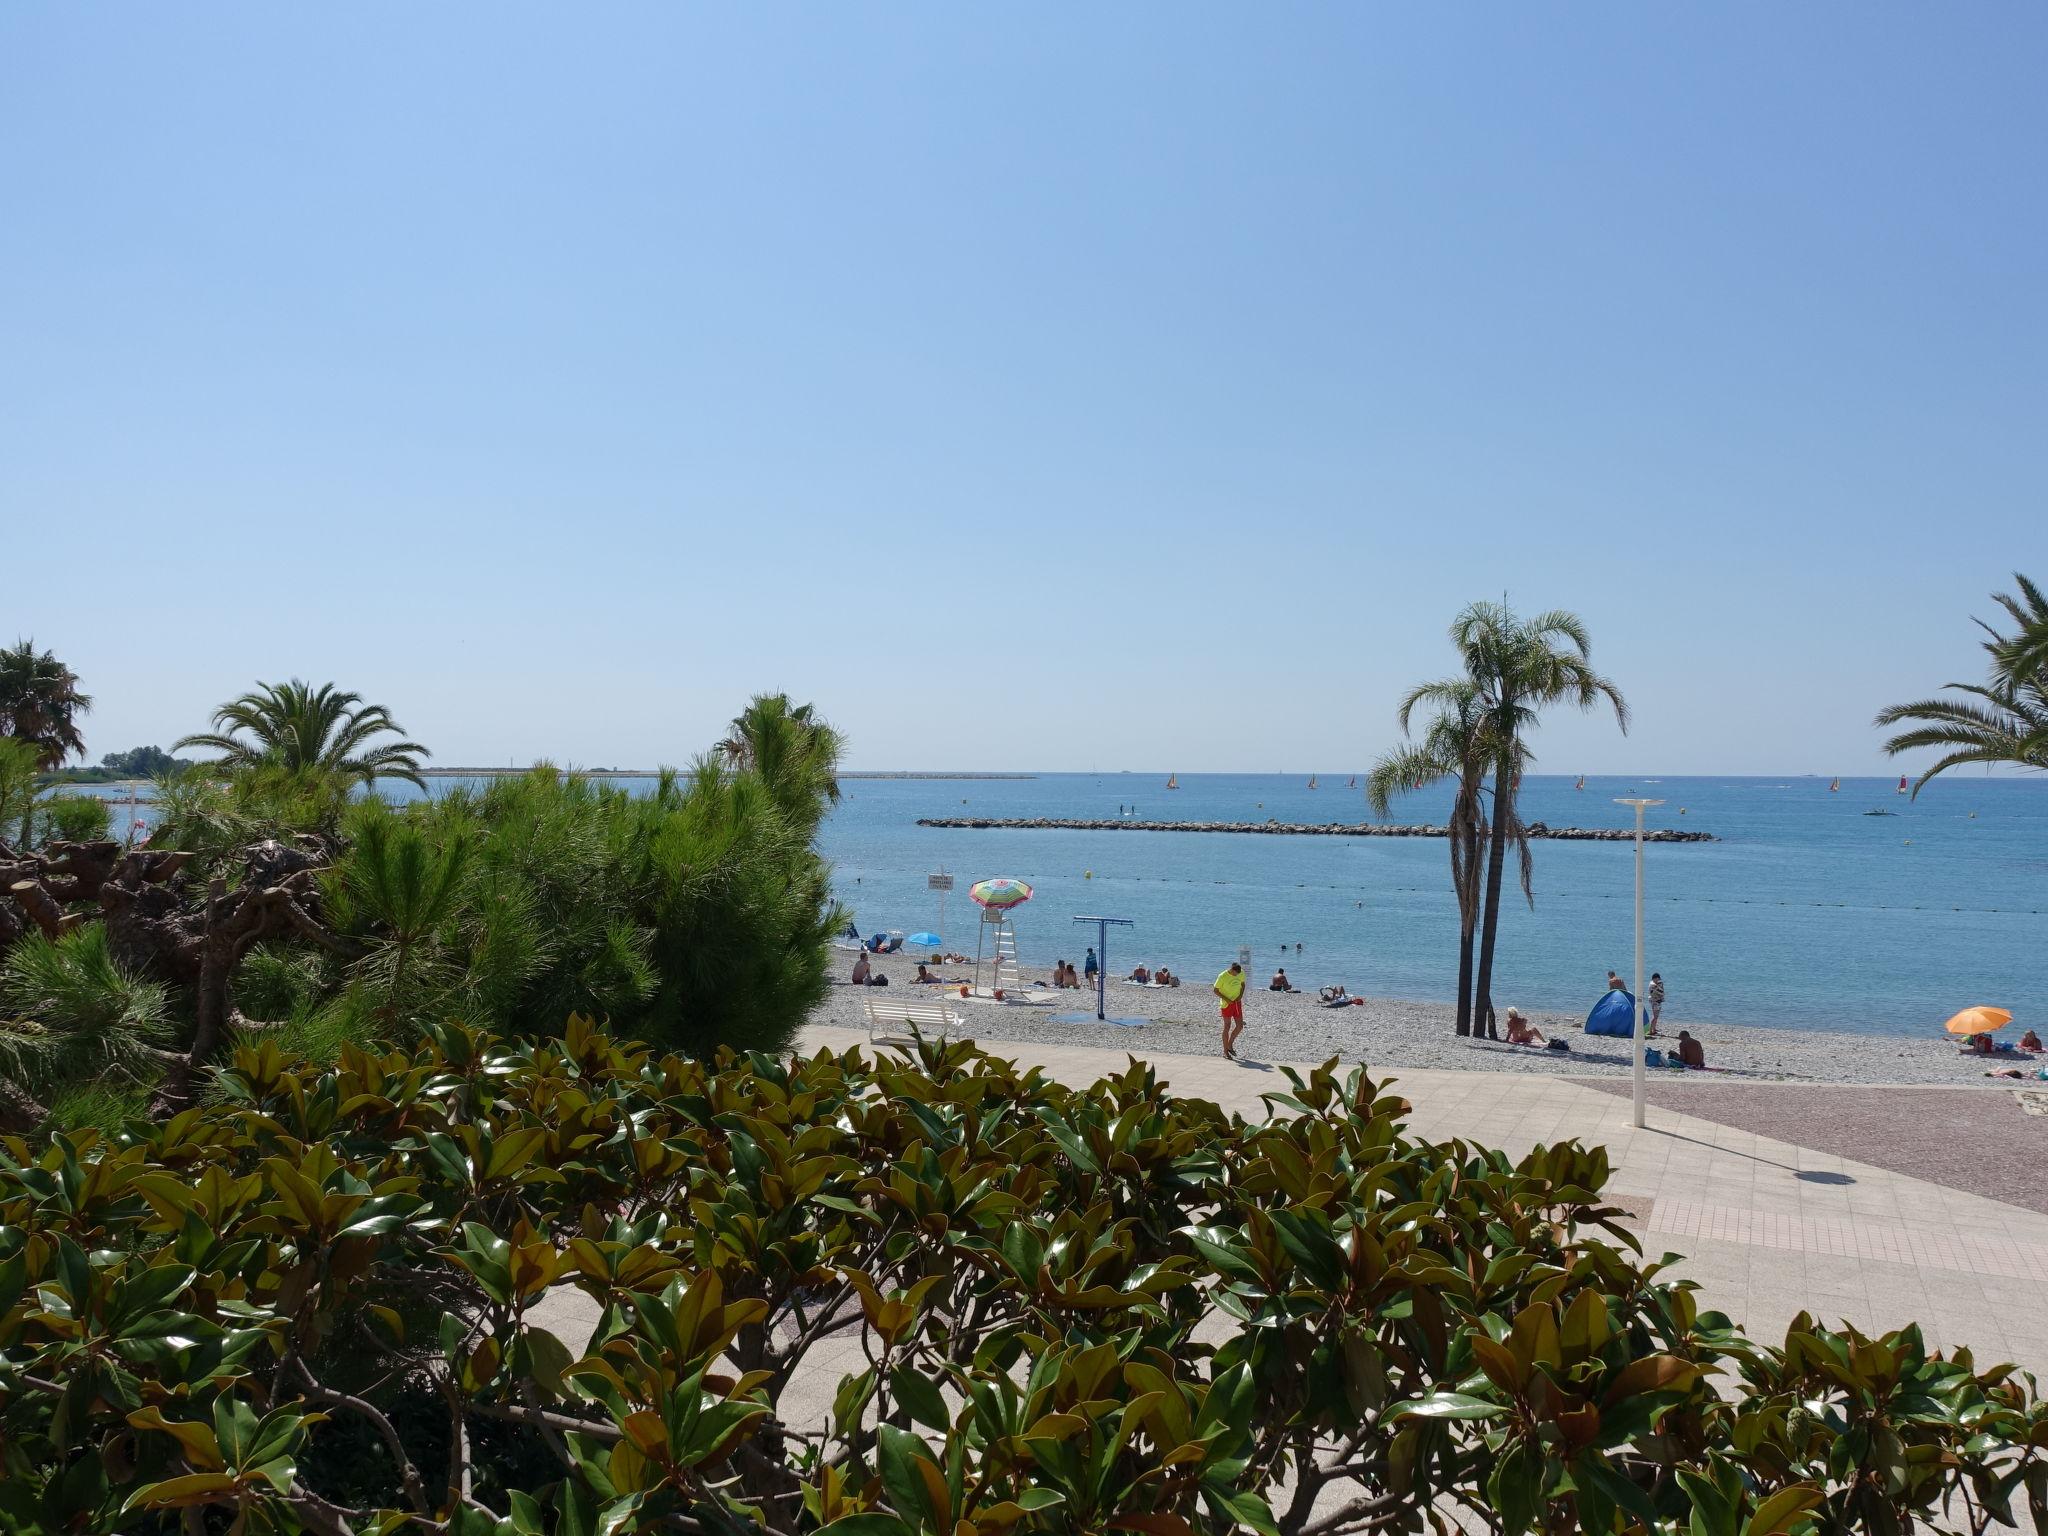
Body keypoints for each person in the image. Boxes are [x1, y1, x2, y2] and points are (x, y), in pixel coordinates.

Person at [1215, 961, 1248, 1060]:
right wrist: (1227, 1000)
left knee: (1240, 1026)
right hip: (1226, 1004)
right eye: (1235, 974)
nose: (1237, 975)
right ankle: (1225, 1052)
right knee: (1227, 1026)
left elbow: (1243, 984)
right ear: (1231, 969)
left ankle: (1229, 1044)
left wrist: (1241, 995)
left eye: (1238, 974)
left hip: (1237, 1002)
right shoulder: (1222, 976)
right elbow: (1215, 990)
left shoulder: (1241, 972)